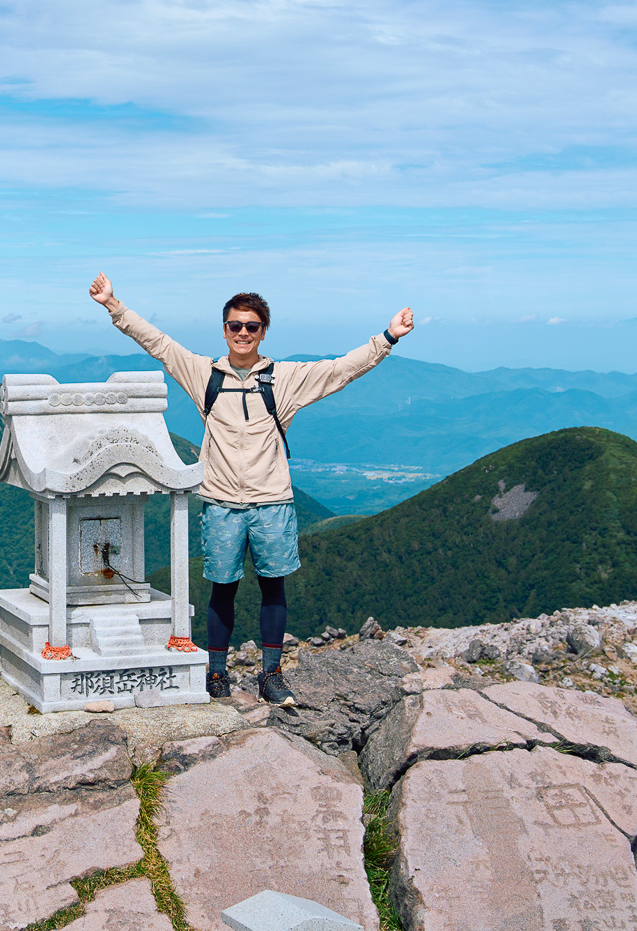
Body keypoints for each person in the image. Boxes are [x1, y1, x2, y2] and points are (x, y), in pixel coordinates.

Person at [87, 273, 414, 705]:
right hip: (221, 501)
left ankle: (271, 674)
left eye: (251, 326)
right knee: (222, 589)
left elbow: (340, 370)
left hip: (272, 501)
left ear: (263, 331)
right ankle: (217, 674)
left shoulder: (285, 378)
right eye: (235, 325)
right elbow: (159, 344)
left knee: (273, 588)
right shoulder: (204, 374)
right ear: (224, 330)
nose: (243, 333)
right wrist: (115, 306)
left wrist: (387, 338)